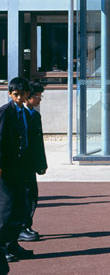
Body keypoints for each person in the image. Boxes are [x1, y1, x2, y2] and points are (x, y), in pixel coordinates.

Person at [0, 77, 32, 264]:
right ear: (10, 94)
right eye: (16, 94)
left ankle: (12, 244)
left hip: (21, 168)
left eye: (22, 94)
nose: (19, 98)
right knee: (7, 208)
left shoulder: (26, 114)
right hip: (6, 169)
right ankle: (1, 248)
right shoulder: (5, 113)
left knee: (21, 207)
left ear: (27, 94)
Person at [19, 82, 47, 244]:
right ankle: (20, 227)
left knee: (31, 195)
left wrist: (41, 163)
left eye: (40, 96)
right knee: (21, 195)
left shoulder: (35, 115)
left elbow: (38, 142)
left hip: (30, 163)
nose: (39, 100)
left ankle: (26, 225)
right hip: (19, 163)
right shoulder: (17, 114)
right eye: (37, 97)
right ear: (27, 97)